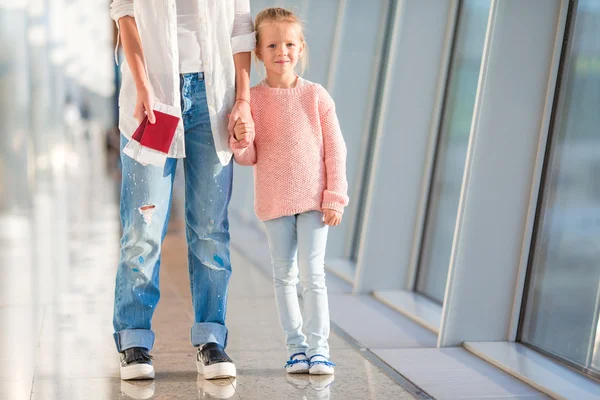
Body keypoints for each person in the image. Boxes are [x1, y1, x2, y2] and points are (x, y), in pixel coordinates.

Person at [109, 0, 256, 381]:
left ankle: (211, 339)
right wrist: (142, 85)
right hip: (154, 101)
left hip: (215, 99)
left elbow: (241, 26)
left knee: (210, 230)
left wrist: (243, 100)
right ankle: (134, 341)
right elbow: (125, 15)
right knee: (143, 229)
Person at [230, 7, 349, 375]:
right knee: (284, 276)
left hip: (315, 203)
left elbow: (336, 150)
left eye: (290, 44)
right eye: (273, 45)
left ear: (301, 48)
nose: (282, 51)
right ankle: (296, 348)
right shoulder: (253, 100)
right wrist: (239, 139)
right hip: (275, 202)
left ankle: (319, 349)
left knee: (313, 276)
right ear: (259, 53)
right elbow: (248, 157)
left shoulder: (316, 96)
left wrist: (334, 198)